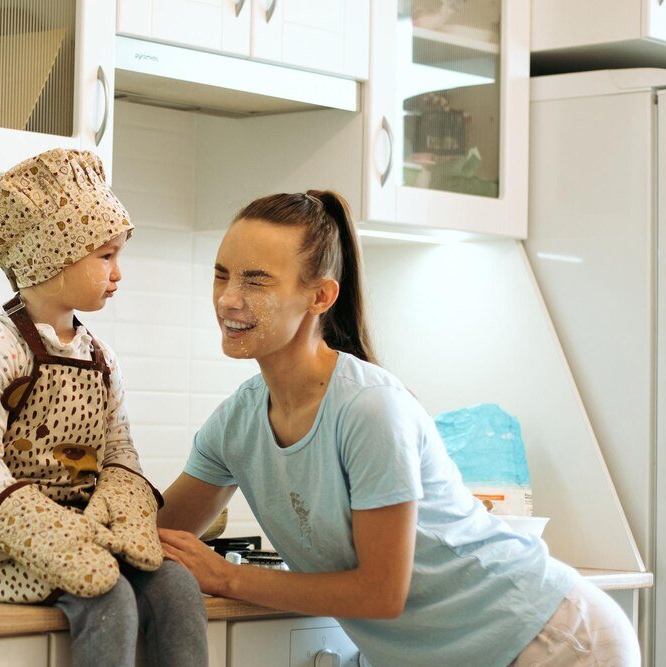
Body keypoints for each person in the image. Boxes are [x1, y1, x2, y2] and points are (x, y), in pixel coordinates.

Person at [156, 190, 639, 666]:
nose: (229, 299)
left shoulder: (369, 408)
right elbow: (155, 533)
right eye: (221, 275)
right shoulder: (237, 423)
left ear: (320, 296)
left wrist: (228, 577)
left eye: (256, 281)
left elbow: (382, 592)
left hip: (550, 640)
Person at [0, 148, 208, 667]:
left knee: (176, 586)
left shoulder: (101, 357)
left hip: (87, 530)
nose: (118, 273)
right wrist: (33, 525)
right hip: (8, 541)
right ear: (52, 256)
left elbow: (119, 450)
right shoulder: (0, 349)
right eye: (105, 256)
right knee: (107, 596)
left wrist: (123, 506)